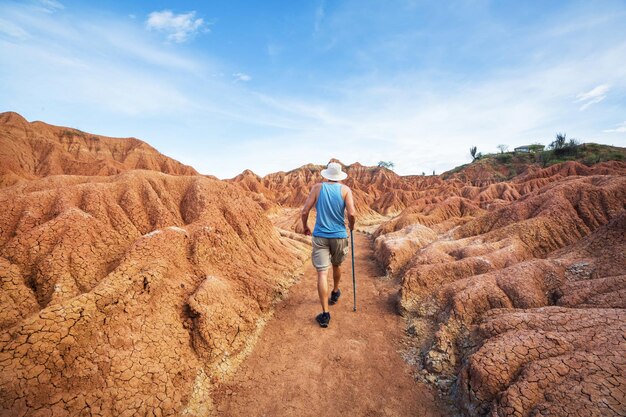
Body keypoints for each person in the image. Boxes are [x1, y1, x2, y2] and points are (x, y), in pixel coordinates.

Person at [301, 162, 356, 328]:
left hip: (320, 236)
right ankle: (335, 292)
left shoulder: (318, 188)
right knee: (337, 264)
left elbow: (304, 211)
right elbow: (352, 213)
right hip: (339, 236)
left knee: (322, 274)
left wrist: (305, 227)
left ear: (326, 175)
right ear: (339, 176)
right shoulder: (346, 190)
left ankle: (325, 314)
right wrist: (352, 226)